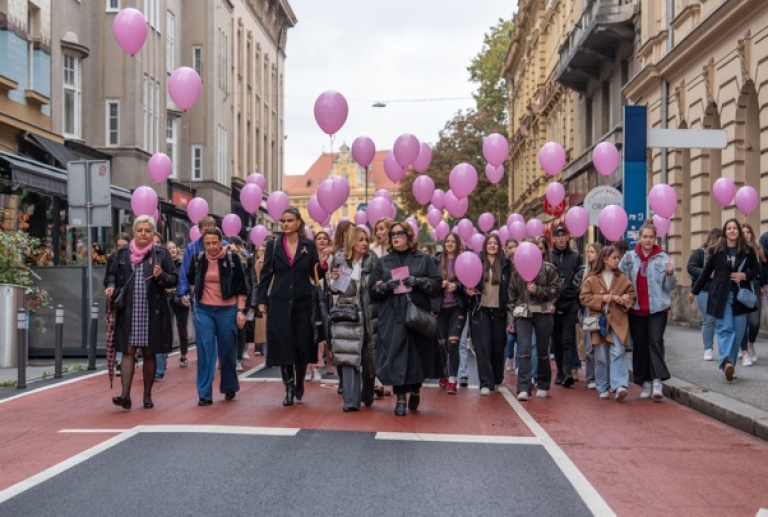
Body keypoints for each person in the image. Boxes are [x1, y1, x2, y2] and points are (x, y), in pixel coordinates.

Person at [103, 216, 177, 409]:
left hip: (153, 310)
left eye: (147, 230)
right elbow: (110, 275)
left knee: (149, 352)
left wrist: (162, 276)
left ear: (153, 233)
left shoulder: (161, 254)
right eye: (139, 230)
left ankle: (147, 396)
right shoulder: (122, 253)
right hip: (129, 310)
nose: (143, 234)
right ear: (134, 232)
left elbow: (174, 279)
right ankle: (125, 395)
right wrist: (110, 286)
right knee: (128, 350)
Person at [369, 221, 442, 416]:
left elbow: (436, 284)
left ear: (409, 236)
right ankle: (400, 398)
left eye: (400, 233)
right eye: (392, 234)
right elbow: (372, 291)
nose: (395, 237)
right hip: (392, 315)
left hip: (417, 313)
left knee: (418, 356)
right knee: (397, 356)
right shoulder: (384, 261)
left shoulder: (423, 259)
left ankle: (416, 389)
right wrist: (386, 286)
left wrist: (418, 282)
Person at [257, 208, 323, 406]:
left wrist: (324, 266)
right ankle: (288, 387)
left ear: (298, 223)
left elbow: (316, 274)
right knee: (284, 345)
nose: (285, 224)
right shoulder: (274, 245)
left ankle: (300, 379)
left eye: (289, 220)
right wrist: (261, 299)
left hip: (304, 301)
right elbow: (266, 274)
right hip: (280, 302)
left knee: (303, 345)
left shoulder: (308, 246)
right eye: (283, 220)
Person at [689, 218, 760, 382]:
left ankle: (730, 365)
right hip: (721, 295)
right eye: (729, 228)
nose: (732, 231)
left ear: (739, 232)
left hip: (740, 297)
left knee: (738, 332)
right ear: (725, 232)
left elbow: (756, 271)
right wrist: (694, 291)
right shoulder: (716, 251)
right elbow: (706, 273)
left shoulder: (748, 251)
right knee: (725, 328)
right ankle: (726, 361)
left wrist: (744, 275)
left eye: (735, 228)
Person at [186, 228, 248, 405]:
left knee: (227, 350)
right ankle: (204, 394)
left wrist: (241, 310)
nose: (211, 247)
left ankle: (229, 386)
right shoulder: (198, 259)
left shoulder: (232, 259)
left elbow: (241, 287)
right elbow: (190, 279)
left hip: (227, 309)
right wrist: (195, 295)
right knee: (205, 349)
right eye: (207, 243)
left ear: (221, 241)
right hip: (203, 309)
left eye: (214, 242)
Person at [620, 221, 676, 400]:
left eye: (651, 237)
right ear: (640, 238)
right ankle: (645, 382)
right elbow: (620, 279)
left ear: (655, 238)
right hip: (636, 309)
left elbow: (670, 287)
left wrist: (669, 274)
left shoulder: (663, 258)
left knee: (656, 342)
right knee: (641, 345)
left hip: (658, 308)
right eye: (645, 237)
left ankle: (657, 381)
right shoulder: (629, 257)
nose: (648, 240)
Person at [329, 227, 378, 411]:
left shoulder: (373, 259)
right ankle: (350, 401)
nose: (365, 243)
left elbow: (376, 288)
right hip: (348, 313)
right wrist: (333, 282)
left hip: (369, 312)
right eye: (360, 240)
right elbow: (336, 290)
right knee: (349, 355)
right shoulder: (340, 258)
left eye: (366, 240)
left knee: (368, 356)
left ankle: (367, 393)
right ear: (352, 242)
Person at [580, 246, 635, 401]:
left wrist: (624, 299)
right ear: (604, 259)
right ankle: (602, 385)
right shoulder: (591, 278)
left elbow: (631, 295)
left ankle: (620, 385)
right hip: (600, 321)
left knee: (619, 351)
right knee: (601, 355)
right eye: (614, 258)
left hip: (618, 320)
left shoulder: (622, 278)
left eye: (618, 257)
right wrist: (601, 299)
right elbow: (584, 298)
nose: (617, 260)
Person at [507, 242, 561, 400]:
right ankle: (523, 387)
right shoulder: (517, 273)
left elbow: (556, 290)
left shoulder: (549, 269)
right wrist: (511, 319)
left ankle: (543, 383)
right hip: (523, 316)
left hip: (543, 314)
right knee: (524, 350)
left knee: (542, 351)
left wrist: (538, 290)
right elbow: (512, 299)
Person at [466, 234, 510, 395]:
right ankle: (485, 382)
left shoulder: (506, 264)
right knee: (483, 347)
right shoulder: (477, 262)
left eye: (495, 243)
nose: (492, 246)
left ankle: (497, 377)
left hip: (499, 311)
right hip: (481, 310)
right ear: (485, 246)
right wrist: (468, 293)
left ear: (499, 247)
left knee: (498, 347)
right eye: (489, 243)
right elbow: (467, 282)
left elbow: (511, 288)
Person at [435, 232, 467, 394]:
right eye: (447, 241)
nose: (449, 244)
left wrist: (458, 286)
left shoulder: (463, 261)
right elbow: (431, 282)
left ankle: (453, 378)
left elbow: (469, 281)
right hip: (441, 309)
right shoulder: (437, 260)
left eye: (453, 241)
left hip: (457, 308)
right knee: (442, 346)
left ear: (458, 243)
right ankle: (444, 373)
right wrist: (439, 284)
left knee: (453, 343)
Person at [550, 225, 582, 387]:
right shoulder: (549, 257)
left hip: (570, 303)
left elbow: (580, 281)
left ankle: (568, 371)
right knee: (556, 340)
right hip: (553, 305)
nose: (561, 239)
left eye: (564, 236)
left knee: (568, 338)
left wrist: (579, 305)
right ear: (554, 238)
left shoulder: (576, 257)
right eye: (558, 236)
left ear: (568, 237)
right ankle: (560, 371)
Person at [687, 228, 723, 361]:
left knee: (721, 320)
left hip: (720, 291)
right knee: (709, 320)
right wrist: (707, 273)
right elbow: (690, 267)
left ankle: (723, 349)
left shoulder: (724, 254)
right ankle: (708, 348)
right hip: (704, 290)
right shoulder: (700, 252)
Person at [177, 216, 228, 308]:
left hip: (221, 294)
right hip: (198, 293)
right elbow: (185, 271)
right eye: (205, 230)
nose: (208, 232)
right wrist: (183, 292)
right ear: (200, 231)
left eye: (211, 229)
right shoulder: (192, 247)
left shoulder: (225, 245)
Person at [574, 242, 602, 389]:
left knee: (601, 345)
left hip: (602, 311)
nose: (589, 254)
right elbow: (579, 293)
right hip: (588, 311)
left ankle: (601, 377)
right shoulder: (584, 272)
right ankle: (591, 377)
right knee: (590, 346)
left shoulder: (604, 272)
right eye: (588, 251)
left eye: (592, 251)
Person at [307, 230, 333, 382]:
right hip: (311, 296)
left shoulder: (333, 256)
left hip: (327, 296)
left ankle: (321, 364)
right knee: (311, 331)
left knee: (323, 332)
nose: (322, 241)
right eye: (319, 238)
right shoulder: (309, 256)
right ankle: (310, 366)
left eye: (325, 238)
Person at [104, 233, 130, 377]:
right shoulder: (113, 258)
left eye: (123, 245)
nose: (120, 248)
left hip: (130, 298)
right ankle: (119, 360)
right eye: (118, 245)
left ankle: (123, 359)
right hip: (116, 299)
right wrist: (111, 286)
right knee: (116, 330)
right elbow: (109, 276)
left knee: (126, 329)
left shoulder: (133, 257)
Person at [739, 223, 764, 366]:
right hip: (741, 286)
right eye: (743, 232)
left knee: (755, 321)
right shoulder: (737, 250)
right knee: (743, 321)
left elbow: (761, 269)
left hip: (754, 285)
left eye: (748, 232)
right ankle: (744, 351)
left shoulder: (758, 249)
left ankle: (751, 344)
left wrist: (761, 284)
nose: (746, 234)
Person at [166, 241, 190, 368]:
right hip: (167, 300)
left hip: (180, 299)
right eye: (169, 248)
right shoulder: (164, 264)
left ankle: (183, 355)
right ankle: (163, 355)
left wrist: (176, 291)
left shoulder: (183, 264)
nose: (172, 250)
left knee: (182, 329)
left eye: (174, 247)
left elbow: (185, 281)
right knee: (166, 328)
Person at [152, 232, 169, 382]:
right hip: (142, 304)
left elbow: (173, 278)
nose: (155, 244)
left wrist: (161, 276)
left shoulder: (164, 255)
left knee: (159, 336)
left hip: (161, 303)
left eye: (158, 242)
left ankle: (158, 370)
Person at [504, 239, 519, 373]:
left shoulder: (523, 264)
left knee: (520, 337)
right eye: (509, 248)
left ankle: (518, 364)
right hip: (507, 305)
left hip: (520, 306)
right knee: (510, 337)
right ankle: (509, 357)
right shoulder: (505, 266)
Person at [253, 243, 268, 357]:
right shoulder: (258, 263)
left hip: (275, 294)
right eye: (260, 250)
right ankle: (261, 348)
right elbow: (257, 281)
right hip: (264, 294)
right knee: (262, 325)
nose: (261, 252)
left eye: (264, 250)